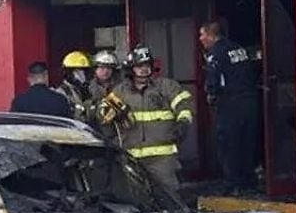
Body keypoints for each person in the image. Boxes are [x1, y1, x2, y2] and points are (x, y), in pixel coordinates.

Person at [111, 45, 194, 194]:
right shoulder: (120, 91)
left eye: (147, 65)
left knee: (169, 196)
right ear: (131, 68)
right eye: (139, 66)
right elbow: (103, 114)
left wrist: (183, 122)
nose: (144, 69)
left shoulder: (166, 86)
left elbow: (184, 105)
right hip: (131, 157)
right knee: (136, 198)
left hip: (162, 158)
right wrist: (108, 113)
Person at [199, 22, 261, 194]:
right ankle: (249, 181)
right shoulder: (238, 49)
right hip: (249, 101)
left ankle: (232, 183)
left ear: (211, 35)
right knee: (246, 142)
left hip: (230, 104)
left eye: (202, 35)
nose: (200, 39)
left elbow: (214, 80)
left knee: (228, 143)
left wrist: (211, 95)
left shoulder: (215, 54)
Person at [57, 51, 92, 120]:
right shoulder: (61, 93)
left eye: (84, 71)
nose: (82, 75)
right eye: (77, 71)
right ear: (68, 72)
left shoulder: (86, 91)